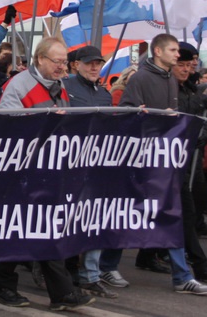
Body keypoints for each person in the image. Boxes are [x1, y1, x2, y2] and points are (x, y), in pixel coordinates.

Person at [0, 37, 94, 311]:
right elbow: (5, 125)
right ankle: (25, 288)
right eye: (57, 61)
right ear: (40, 59)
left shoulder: (59, 87)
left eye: (65, 62)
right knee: (22, 230)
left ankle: (16, 287)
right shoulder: (19, 85)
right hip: (22, 172)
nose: (63, 67)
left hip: (49, 170)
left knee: (35, 230)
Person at [115, 34, 207, 295]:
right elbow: (125, 111)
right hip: (142, 160)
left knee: (171, 215)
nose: (177, 55)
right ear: (157, 51)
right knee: (128, 214)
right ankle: (105, 265)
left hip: (165, 161)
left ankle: (182, 276)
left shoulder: (170, 78)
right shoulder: (141, 78)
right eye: (172, 49)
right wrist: (143, 114)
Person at [61, 46, 118, 300]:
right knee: (66, 220)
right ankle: (58, 271)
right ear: (77, 65)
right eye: (89, 63)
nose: (95, 67)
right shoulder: (64, 87)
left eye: (98, 63)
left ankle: (90, 276)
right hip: (68, 164)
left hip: (96, 165)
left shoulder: (105, 94)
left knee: (95, 219)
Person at [172, 49, 207, 281]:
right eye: (181, 63)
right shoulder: (168, 88)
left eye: (190, 65)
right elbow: (177, 117)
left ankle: (194, 266)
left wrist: (201, 135)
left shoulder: (189, 88)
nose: (186, 69)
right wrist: (196, 102)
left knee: (185, 213)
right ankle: (106, 265)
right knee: (176, 214)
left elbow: (200, 125)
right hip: (165, 163)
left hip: (183, 161)